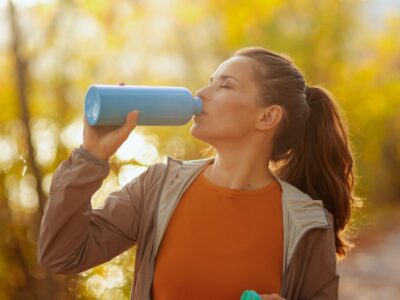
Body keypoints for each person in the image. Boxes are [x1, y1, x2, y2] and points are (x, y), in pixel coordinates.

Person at [37, 46, 359, 300]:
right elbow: (62, 254)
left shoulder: (309, 222)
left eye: (225, 86)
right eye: (208, 82)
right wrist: (90, 157)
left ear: (267, 117)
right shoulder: (159, 186)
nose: (202, 94)